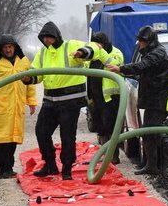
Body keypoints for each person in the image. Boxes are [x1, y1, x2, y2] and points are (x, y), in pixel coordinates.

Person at [22, 21, 111, 180]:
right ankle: (50, 165)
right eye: (44, 38)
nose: (47, 41)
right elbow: (37, 73)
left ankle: (67, 169)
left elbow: (95, 47)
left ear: (56, 36)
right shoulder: (43, 53)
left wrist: (82, 53)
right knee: (41, 131)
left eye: (50, 37)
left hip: (70, 101)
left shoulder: (71, 45)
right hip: (50, 100)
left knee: (67, 136)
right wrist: (29, 78)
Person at [107, 26, 168, 175]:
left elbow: (143, 66)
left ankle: (155, 166)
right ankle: (150, 164)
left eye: (141, 41)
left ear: (148, 41)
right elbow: (147, 73)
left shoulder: (157, 53)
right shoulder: (152, 52)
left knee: (152, 132)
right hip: (153, 99)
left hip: (158, 101)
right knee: (149, 133)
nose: (139, 44)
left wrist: (121, 69)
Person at [0, 34, 37, 179]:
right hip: (0, 106)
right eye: (5, 47)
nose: (8, 50)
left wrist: (31, 101)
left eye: (10, 47)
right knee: (1, 140)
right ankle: (3, 170)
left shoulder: (23, 61)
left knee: (13, 139)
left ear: (15, 47)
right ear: (1, 49)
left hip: (17, 106)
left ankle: (9, 168)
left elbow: (29, 83)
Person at [86, 32, 124, 164]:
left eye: (99, 43)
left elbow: (115, 66)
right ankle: (104, 153)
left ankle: (114, 156)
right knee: (100, 127)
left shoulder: (116, 52)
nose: (97, 46)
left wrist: (101, 54)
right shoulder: (91, 56)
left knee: (112, 127)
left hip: (111, 98)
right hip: (95, 98)